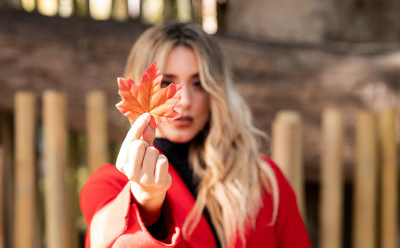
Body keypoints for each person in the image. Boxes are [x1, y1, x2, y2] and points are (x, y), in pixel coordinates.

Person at [80, 22, 311, 248]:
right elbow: (104, 240)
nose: (185, 101)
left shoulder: (265, 179)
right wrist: (145, 201)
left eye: (199, 83)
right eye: (168, 83)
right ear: (140, 92)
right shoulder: (111, 184)